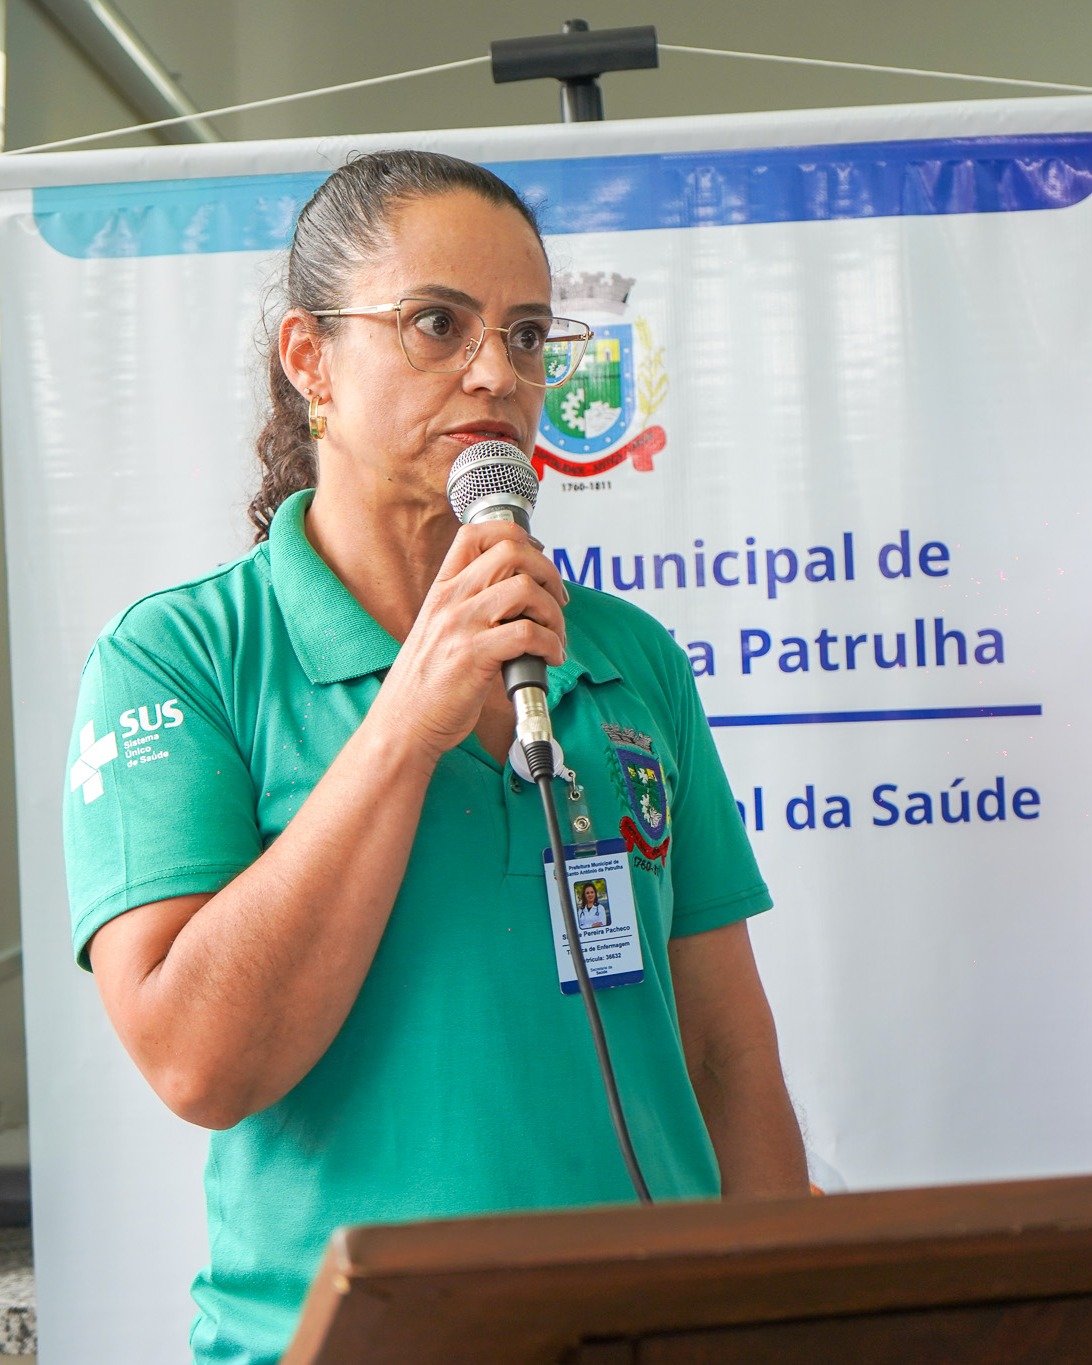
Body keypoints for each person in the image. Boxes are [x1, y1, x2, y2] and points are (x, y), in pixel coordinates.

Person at [63, 149, 807, 1365]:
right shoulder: (177, 658)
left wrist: (786, 1323)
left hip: (652, 1336)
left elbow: (727, 1054)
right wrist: (408, 720)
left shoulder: (628, 656)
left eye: (528, 335)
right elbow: (198, 1064)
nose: (496, 372)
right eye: (437, 324)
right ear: (310, 359)